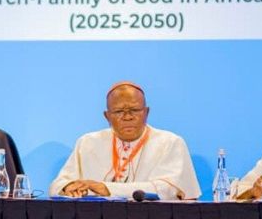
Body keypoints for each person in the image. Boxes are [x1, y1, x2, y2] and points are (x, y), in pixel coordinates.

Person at [49, 81, 201, 200]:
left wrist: (107, 188)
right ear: (107, 116)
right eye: (119, 111)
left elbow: (168, 190)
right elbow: (57, 185)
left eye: (134, 110)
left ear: (146, 112)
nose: (127, 117)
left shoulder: (170, 142)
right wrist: (69, 187)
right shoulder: (88, 142)